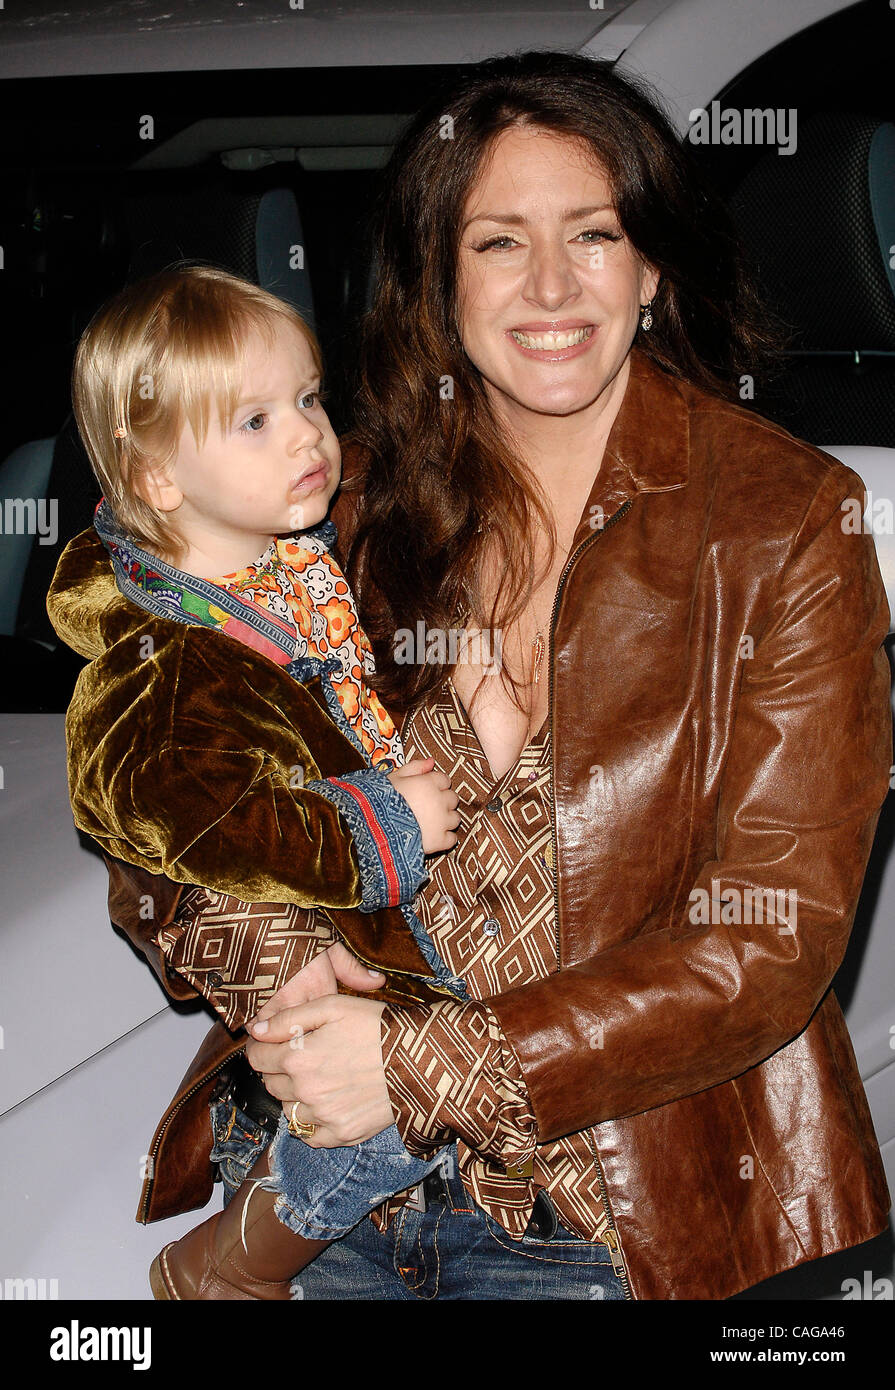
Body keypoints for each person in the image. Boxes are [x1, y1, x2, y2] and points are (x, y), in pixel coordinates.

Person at [52, 49, 891, 1301]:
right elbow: (165, 811)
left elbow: (765, 939)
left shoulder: (784, 523)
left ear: (651, 263)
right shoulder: (336, 503)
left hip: (609, 1219)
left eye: (593, 234)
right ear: (440, 278)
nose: (550, 286)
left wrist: (420, 1064)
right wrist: (278, 970)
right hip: (325, 1205)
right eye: (498, 242)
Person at [47, 261, 483, 1300]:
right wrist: (385, 817)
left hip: (349, 944)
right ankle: (237, 1257)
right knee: (423, 1095)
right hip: (312, 966)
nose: (307, 436)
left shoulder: (283, 573)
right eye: (254, 421)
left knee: (443, 1071)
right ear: (154, 478)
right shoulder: (168, 655)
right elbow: (206, 826)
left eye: (307, 399)